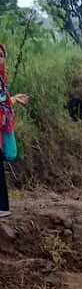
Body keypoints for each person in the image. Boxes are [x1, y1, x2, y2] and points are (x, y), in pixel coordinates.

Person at [0, 44, 29, 217]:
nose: (0, 58)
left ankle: (2, 207)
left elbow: (2, 99)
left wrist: (13, 98)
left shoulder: (3, 79)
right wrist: (12, 99)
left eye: (1, 55)